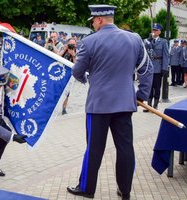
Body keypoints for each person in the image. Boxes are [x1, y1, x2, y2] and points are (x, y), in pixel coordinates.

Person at [66, 5, 153, 200]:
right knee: (125, 148)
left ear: (99, 20)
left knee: (94, 149)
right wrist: (141, 95)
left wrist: (89, 78)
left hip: (99, 105)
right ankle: (125, 190)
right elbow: (147, 69)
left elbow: (77, 71)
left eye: (93, 22)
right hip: (125, 103)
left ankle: (87, 188)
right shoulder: (135, 39)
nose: (93, 25)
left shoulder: (88, 42)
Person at [143, 23, 169, 111]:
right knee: (149, 87)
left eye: (156, 30)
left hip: (158, 67)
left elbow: (166, 55)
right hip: (149, 67)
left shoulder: (163, 42)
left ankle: (155, 105)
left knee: (157, 87)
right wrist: (149, 41)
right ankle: (149, 106)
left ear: (160, 32)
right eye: (153, 30)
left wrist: (165, 68)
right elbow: (144, 50)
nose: (154, 32)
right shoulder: (147, 40)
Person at [58, 38, 77, 115]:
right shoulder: (64, 49)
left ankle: (64, 109)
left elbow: (77, 65)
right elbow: (57, 56)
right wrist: (64, 49)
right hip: (60, 73)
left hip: (70, 75)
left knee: (67, 93)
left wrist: (73, 55)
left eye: (73, 44)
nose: (72, 45)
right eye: (70, 44)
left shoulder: (77, 52)